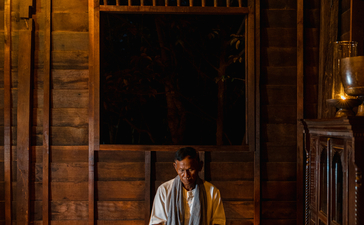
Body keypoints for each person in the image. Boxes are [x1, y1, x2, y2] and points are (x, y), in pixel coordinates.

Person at [149, 147, 226, 225]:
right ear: (175, 167)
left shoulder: (212, 191)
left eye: (190, 169)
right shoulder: (164, 190)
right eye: (182, 170)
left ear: (200, 166)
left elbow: (219, 221)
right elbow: (156, 222)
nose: (186, 175)